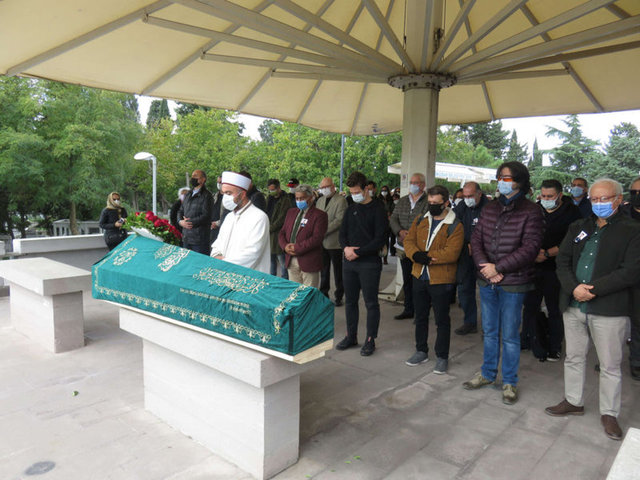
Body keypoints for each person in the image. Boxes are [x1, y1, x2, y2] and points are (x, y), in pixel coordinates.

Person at [546, 178, 640, 441]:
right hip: (574, 304)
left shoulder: (632, 231)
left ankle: (609, 414)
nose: (598, 203)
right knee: (574, 357)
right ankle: (573, 401)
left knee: (610, 364)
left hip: (609, 309)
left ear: (619, 199)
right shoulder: (579, 226)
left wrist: (593, 289)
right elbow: (563, 260)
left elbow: (631, 271)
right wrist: (573, 288)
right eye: (594, 199)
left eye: (604, 199)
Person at [462, 162, 544, 405]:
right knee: (489, 331)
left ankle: (509, 381)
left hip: (513, 283)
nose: (501, 181)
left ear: (519, 181)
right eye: (500, 177)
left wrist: (498, 268)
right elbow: (476, 240)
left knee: (509, 334)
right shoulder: (490, 208)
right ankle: (488, 374)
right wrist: (485, 267)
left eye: (506, 177)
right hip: (487, 280)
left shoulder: (531, 211)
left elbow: (530, 248)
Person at [404, 185, 464, 374]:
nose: (432, 206)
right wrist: (416, 255)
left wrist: (427, 257)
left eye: (436, 203)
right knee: (420, 317)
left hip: (441, 279)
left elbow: (452, 252)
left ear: (446, 203)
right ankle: (421, 350)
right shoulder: (421, 220)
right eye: (430, 202)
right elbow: (409, 241)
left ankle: (442, 356)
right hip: (419, 275)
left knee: (442, 319)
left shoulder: (455, 225)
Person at [521, 179, 581, 361]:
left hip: (556, 269)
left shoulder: (573, 213)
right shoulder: (535, 210)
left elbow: (576, 241)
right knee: (530, 306)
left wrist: (548, 253)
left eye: (550, 196)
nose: (546, 199)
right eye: (543, 196)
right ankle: (527, 338)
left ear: (560, 195)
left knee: (555, 308)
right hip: (533, 266)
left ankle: (554, 346)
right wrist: (533, 253)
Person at [335, 171, 388, 356]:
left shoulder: (378, 209)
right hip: (349, 262)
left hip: (369, 264)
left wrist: (357, 252)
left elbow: (380, 239)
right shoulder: (351, 209)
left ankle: (370, 339)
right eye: (351, 192)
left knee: (371, 303)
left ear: (366, 189)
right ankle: (351, 336)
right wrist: (346, 249)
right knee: (350, 301)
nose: (354, 195)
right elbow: (342, 234)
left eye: (357, 191)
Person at [210, 171, 270, 273]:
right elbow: (217, 244)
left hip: (249, 277)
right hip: (225, 273)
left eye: (229, 193)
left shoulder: (259, 217)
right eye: (224, 193)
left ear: (242, 195)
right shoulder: (229, 217)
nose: (225, 197)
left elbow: (252, 254)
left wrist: (223, 263)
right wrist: (216, 256)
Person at [389, 173, 429, 320]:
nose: (412, 185)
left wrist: (411, 235)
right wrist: (399, 231)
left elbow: (427, 222)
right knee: (407, 279)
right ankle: (408, 309)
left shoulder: (428, 202)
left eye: (415, 182)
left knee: (420, 282)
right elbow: (393, 218)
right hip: (403, 246)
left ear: (423, 185)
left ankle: (420, 312)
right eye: (411, 182)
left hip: (419, 248)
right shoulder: (403, 201)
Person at [453, 181, 488, 335]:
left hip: (485, 255)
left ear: (479, 194)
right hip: (466, 255)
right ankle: (469, 322)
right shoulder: (462, 206)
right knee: (464, 289)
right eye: (465, 196)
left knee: (487, 292)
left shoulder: (490, 208)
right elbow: (454, 225)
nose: (467, 199)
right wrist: (465, 243)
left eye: (470, 196)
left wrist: (476, 245)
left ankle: (489, 327)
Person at [278, 184, 328, 287]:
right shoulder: (291, 212)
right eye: (297, 198)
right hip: (291, 259)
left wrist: (297, 247)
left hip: (309, 261)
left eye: (302, 198)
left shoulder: (320, 215)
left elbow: (317, 238)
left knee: (309, 293)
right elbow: (282, 232)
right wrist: (285, 246)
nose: (299, 201)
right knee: (295, 293)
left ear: (311, 198)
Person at [317, 177, 348, 305]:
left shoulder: (341, 200)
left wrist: (323, 231)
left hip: (335, 242)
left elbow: (339, 220)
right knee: (323, 271)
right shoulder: (320, 200)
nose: (324, 189)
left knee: (338, 271)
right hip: (322, 242)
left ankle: (339, 295)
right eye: (322, 187)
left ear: (332, 186)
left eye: (326, 187)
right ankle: (324, 294)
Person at [623, 177, 640, 380]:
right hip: (619, 274)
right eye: (634, 192)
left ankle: (636, 360)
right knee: (612, 320)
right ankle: (607, 358)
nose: (637, 196)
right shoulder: (621, 214)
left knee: (638, 321)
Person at [178, 169, 214, 255]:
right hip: (186, 237)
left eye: (195, 176)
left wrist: (189, 222)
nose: (192, 178)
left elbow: (206, 215)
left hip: (200, 239)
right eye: (192, 176)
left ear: (203, 179)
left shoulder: (207, 196)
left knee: (199, 262)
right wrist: (180, 221)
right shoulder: (188, 194)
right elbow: (180, 210)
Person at [266, 179, 290, 278]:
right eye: (270, 190)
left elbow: (282, 218)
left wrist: (270, 228)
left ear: (279, 188)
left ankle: (284, 280)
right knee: (271, 260)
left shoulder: (285, 200)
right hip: (269, 233)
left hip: (279, 233)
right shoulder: (269, 198)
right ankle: (272, 279)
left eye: (273, 189)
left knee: (282, 259)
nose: (271, 191)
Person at [379, 185, 395, 264]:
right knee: (379, 240)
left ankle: (385, 258)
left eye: (385, 190)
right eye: (382, 190)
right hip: (379, 222)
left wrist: (389, 213)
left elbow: (393, 209)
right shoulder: (378, 200)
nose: (384, 192)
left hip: (387, 223)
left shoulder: (391, 200)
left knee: (386, 241)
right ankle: (379, 256)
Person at [210, 175, 228, 244]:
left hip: (223, 228)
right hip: (212, 229)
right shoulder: (214, 196)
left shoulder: (229, 198)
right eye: (218, 182)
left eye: (221, 182)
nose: (219, 184)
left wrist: (217, 223)